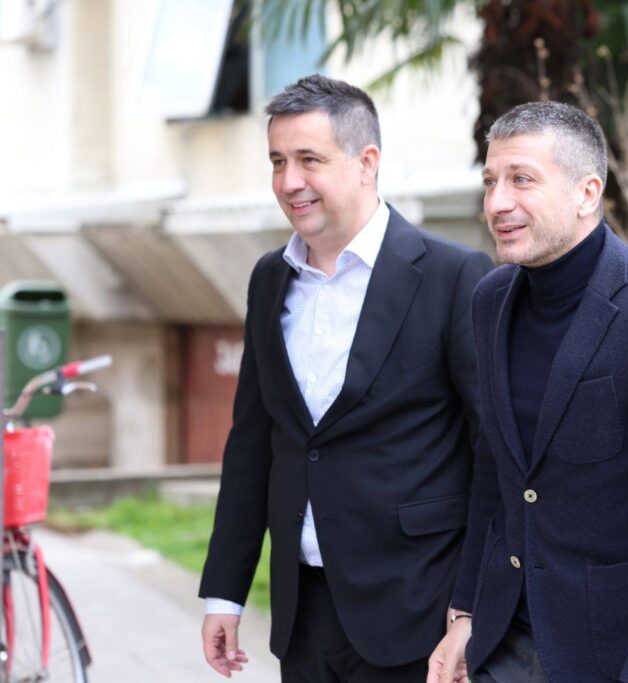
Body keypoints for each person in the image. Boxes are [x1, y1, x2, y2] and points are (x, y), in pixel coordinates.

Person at [428, 101, 628, 683]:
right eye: (491, 181)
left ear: (587, 192)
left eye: (522, 180)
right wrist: (466, 610)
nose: (497, 203)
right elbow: (495, 473)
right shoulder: (491, 300)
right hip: (508, 641)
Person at [198, 74, 492, 682]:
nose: (289, 181)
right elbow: (253, 441)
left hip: (419, 611)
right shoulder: (269, 279)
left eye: (309, 160)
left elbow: (491, 451)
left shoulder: (453, 275)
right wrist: (225, 593)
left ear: (367, 163)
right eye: (277, 161)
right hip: (302, 614)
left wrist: (472, 606)